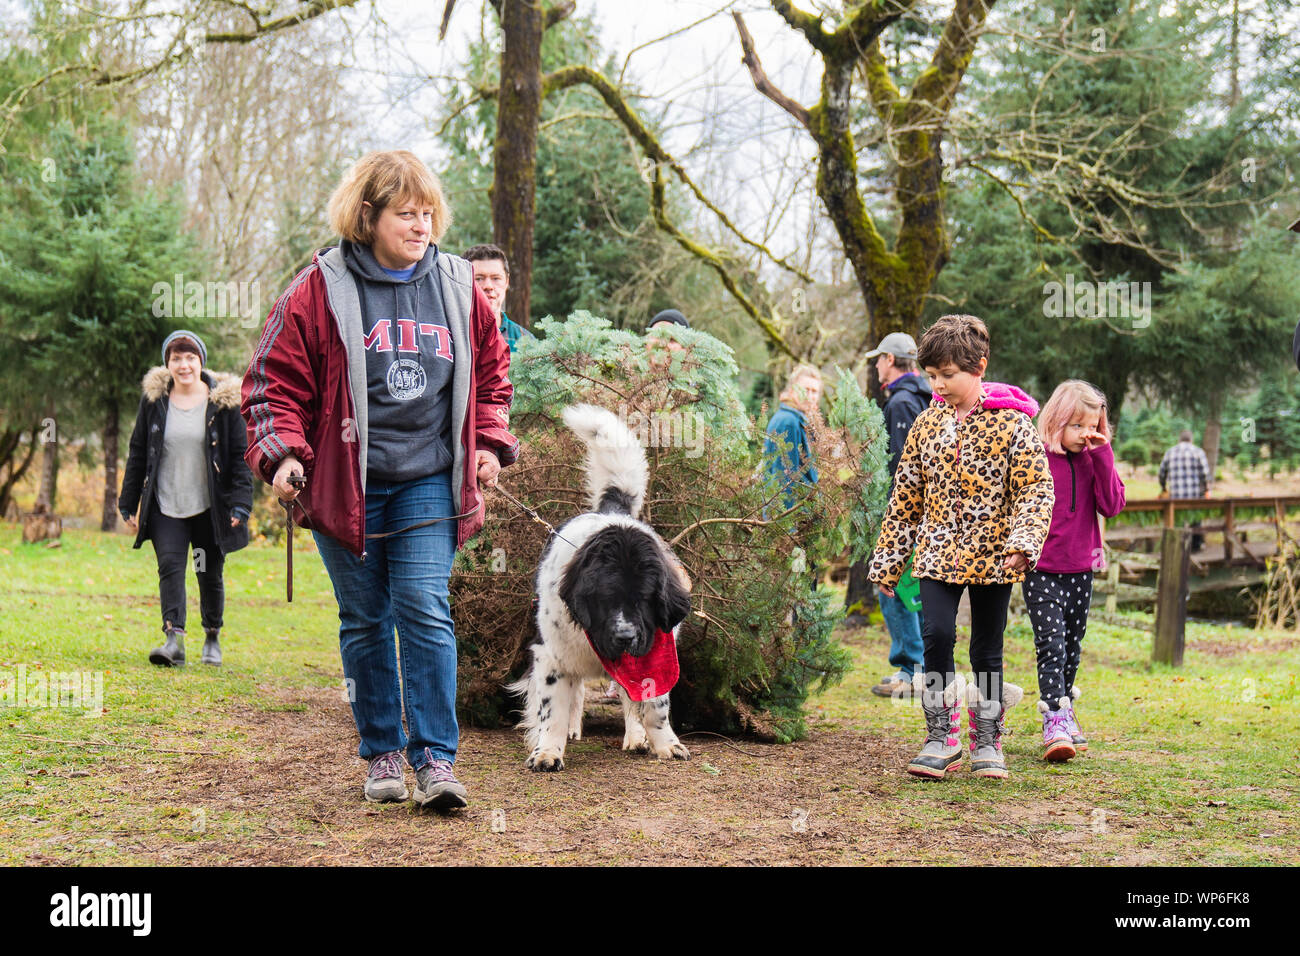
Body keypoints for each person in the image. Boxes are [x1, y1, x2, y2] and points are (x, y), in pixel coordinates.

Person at [242, 150, 518, 811]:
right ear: (368, 215)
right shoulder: (321, 287)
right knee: (365, 619)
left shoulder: (455, 285)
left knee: (423, 607)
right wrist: (283, 454)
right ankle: (382, 753)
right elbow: (271, 381)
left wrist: (485, 442)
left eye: (428, 214)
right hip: (346, 482)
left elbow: (492, 371)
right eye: (405, 214)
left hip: (428, 481)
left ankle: (436, 760)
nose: (421, 226)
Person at [868, 315, 1053, 780]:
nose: (939, 385)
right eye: (932, 376)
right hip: (936, 553)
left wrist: (1024, 542)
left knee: (986, 650)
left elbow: (1035, 489)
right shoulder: (926, 426)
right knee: (936, 635)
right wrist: (889, 561)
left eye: (948, 375)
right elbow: (906, 497)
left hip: (995, 555)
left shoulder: (1013, 424)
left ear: (979, 368)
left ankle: (987, 741)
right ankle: (941, 736)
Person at [119, 330, 252, 668]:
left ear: (200, 361)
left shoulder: (223, 404)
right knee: (170, 568)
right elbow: (138, 451)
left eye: (189, 357)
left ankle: (212, 636)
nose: (183, 364)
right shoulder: (155, 402)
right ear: (168, 363)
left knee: (208, 572)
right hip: (166, 504)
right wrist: (127, 500)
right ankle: (172, 640)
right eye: (176, 358)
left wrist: (240, 503)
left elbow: (240, 456)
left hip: (210, 506)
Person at [1024, 381, 1125, 761]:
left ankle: (1065, 711)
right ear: (1057, 421)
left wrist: (1103, 456)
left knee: (1071, 647)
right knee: (1051, 644)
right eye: (1077, 426)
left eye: (1092, 426)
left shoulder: (1094, 459)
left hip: (1082, 569)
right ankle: (1054, 719)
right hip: (1042, 570)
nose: (1085, 434)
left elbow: (1112, 505)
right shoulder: (1037, 459)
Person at [864, 332, 930, 698]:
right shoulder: (921, 397)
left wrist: (894, 520)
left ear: (890, 360)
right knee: (911, 589)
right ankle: (917, 667)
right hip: (917, 516)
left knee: (894, 589)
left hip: (903, 516)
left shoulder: (902, 403)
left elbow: (902, 466)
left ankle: (911, 671)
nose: (876, 366)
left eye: (878, 359)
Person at [764, 364, 822, 511]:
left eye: (814, 391)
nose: (810, 396)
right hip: (790, 521)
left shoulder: (799, 420)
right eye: (805, 390)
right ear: (791, 391)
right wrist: (787, 531)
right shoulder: (788, 422)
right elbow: (783, 479)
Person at [463, 243, 533, 356]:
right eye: (479, 278)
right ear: (463, 281)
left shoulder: (526, 341)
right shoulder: (452, 336)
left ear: (507, 282)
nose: (488, 286)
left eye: (496, 278)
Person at [1158, 429, 1210, 550]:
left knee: (1177, 521)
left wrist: (1163, 487)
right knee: (1196, 519)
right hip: (1195, 497)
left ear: (1179, 439)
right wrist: (1206, 490)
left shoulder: (1170, 452)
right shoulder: (1198, 452)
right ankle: (1196, 547)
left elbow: (1161, 473)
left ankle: (1177, 547)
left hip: (1175, 498)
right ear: (1191, 440)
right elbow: (1205, 475)